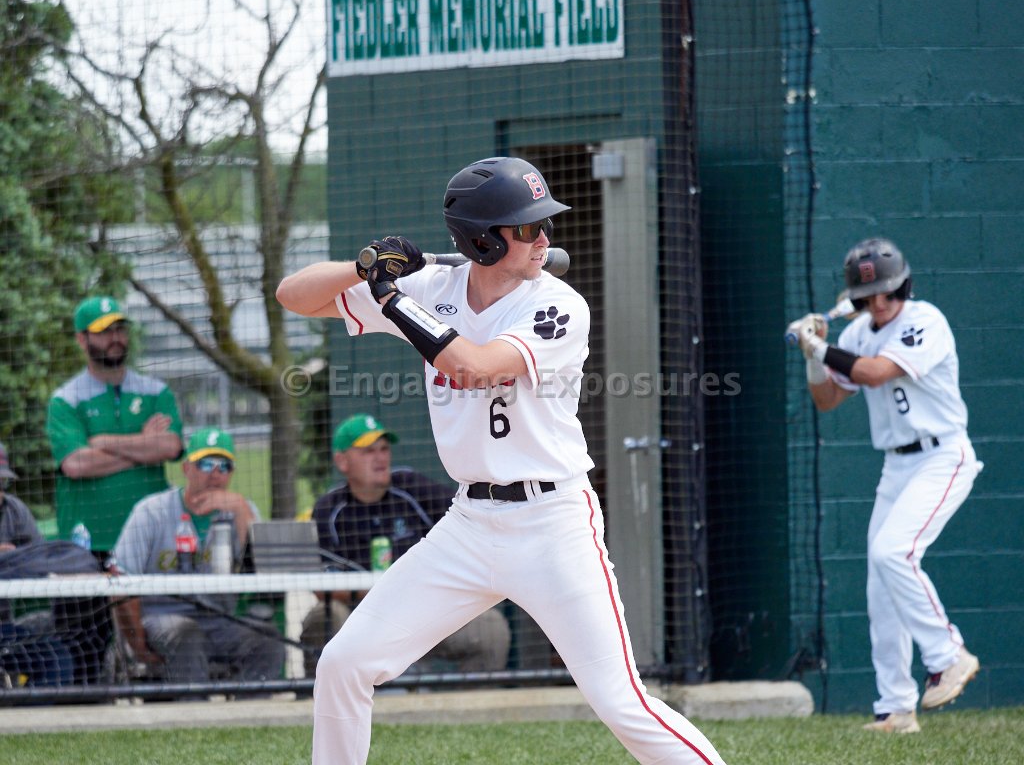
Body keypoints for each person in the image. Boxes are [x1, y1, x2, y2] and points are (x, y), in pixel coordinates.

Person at [278, 156, 727, 765]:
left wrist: (392, 299)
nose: (545, 239)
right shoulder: (432, 288)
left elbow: (474, 367)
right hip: (468, 526)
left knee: (620, 700)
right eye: (528, 227)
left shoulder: (558, 305)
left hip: (552, 524)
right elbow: (294, 296)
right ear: (483, 240)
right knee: (344, 663)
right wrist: (365, 267)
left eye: (545, 224)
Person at [794, 237, 983, 734]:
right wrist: (814, 358)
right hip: (896, 466)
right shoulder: (858, 333)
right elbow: (828, 399)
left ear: (903, 286)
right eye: (869, 295)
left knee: (893, 553)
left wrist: (820, 346)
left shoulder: (925, 320)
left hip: (942, 456)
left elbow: (877, 374)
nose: (879, 302)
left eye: (888, 292)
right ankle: (896, 708)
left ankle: (948, 656)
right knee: (881, 587)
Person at [300, 413, 511, 679]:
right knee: (324, 616)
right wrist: (387, 591)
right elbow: (323, 587)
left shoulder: (412, 486)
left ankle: (464, 705)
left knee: (490, 629)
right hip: (361, 616)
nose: (380, 458)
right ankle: (324, 699)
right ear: (342, 461)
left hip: (424, 610)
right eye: (368, 451)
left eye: (384, 449)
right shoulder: (329, 508)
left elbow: (470, 521)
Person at [111, 427, 284, 684]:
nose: (215, 474)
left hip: (218, 621)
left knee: (267, 641)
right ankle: (193, 708)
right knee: (186, 633)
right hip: (159, 620)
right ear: (186, 468)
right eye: (206, 464)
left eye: (224, 466)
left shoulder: (242, 510)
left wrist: (241, 511)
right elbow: (121, 582)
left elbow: (267, 572)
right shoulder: (151, 512)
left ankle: (250, 707)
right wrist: (137, 646)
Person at [46, 296, 184, 558]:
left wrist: (105, 443)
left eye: (120, 329)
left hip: (151, 539)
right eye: (104, 332)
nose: (115, 338)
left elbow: (170, 446)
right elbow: (76, 465)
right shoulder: (65, 400)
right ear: (82, 339)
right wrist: (144, 446)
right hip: (88, 541)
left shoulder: (157, 392)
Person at [0, 441, 76, 688]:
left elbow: (41, 558)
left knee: (58, 658)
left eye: (2, 483)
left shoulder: (14, 510)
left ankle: (30, 711)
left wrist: (17, 557)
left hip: (3, 630)